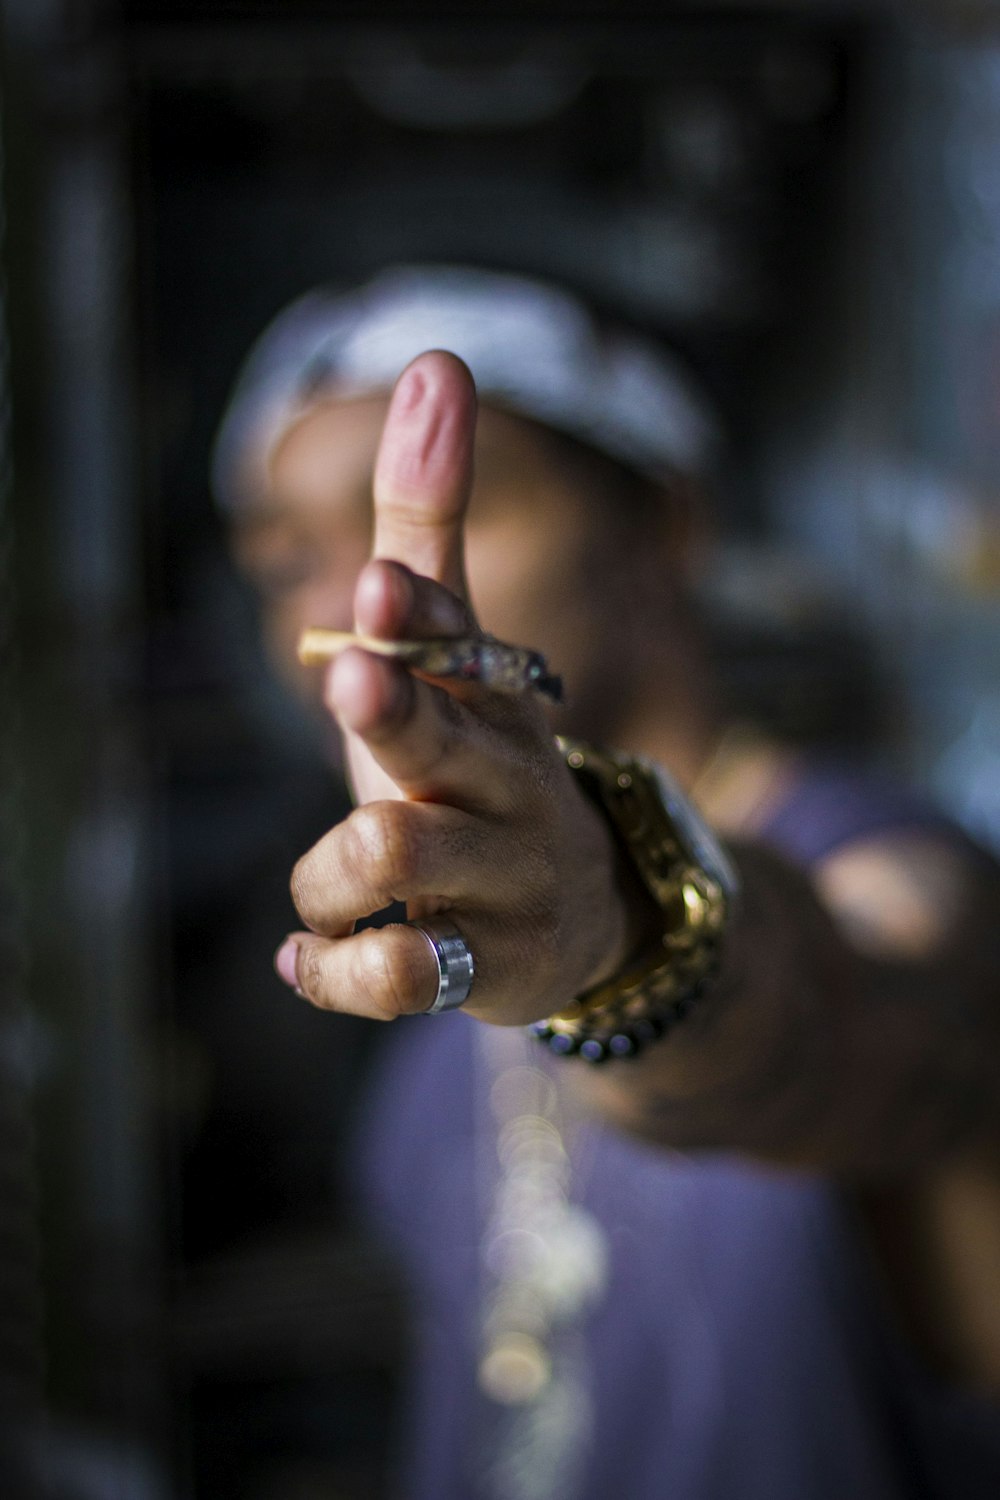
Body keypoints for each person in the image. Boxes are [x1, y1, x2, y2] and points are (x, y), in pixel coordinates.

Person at [213, 265, 1000, 1500]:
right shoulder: (430, 1005)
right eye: (283, 563)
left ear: (665, 528)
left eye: (435, 524)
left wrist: (634, 937)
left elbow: (839, 1023)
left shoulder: (880, 861)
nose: (338, 612)